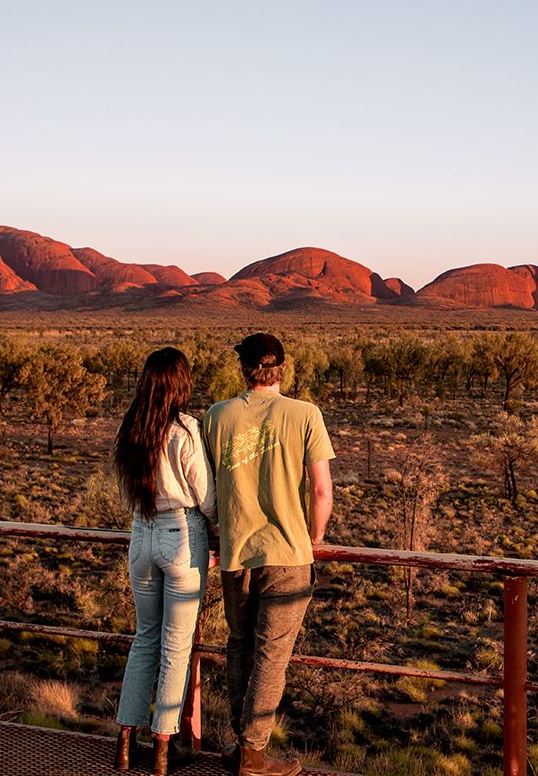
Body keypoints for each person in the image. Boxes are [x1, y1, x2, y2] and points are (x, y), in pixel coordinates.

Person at [202, 333, 333, 776]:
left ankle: (243, 748)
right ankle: (254, 754)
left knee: (238, 646)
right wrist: (315, 538)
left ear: (244, 369)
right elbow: (320, 490)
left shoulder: (216, 416)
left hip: (236, 551)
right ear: (282, 369)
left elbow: (207, 489)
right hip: (288, 553)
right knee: (271, 655)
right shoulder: (305, 414)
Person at [111, 347, 215, 776]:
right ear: (180, 383)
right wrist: (219, 535)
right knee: (176, 646)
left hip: (141, 534)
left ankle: (123, 741)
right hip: (180, 536)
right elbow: (206, 495)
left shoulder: (130, 428)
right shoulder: (185, 429)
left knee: (144, 639)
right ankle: (161, 748)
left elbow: (124, 493)